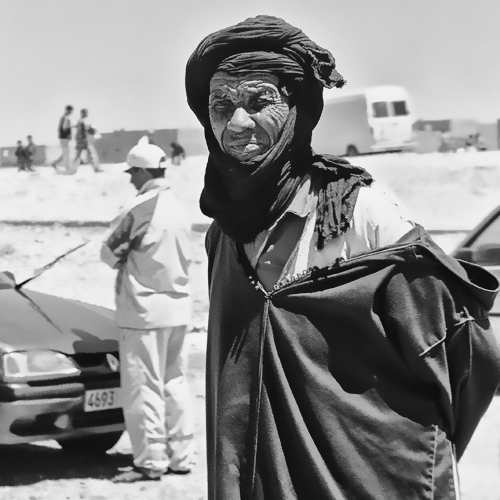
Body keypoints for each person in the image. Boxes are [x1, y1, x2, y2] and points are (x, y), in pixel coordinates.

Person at [185, 15, 500, 500]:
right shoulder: (222, 237)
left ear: (297, 109)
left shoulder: (359, 210)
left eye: (258, 102)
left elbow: (465, 344)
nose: (237, 123)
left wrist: (392, 437)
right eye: (221, 106)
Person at [100, 142, 196, 482]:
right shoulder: (179, 207)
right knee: (175, 383)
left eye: (131, 174)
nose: (129, 180)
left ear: (141, 172)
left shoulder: (141, 207)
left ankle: (150, 461)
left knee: (144, 386)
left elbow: (109, 254)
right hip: (179, 307)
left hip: (144, 311)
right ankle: (181, 456)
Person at [71, 108, 103, 174]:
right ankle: (96, 169)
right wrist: (92, 130)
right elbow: (85, 131)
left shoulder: (80, 121)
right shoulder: (82, 121)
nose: (87, 114)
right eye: (86, 113)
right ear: (83, 113)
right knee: (91, 155)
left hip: (81, 141)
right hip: (84, 141)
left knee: (79, 156)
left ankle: (72, 170)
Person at [51, 105, 73, 172]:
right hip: (64, 138)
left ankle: (54, 163)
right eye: (70, 111)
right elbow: (64, 128)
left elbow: (60, 128)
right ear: (68, 110)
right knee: (66, 154)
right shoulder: (65, 118)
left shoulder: (64, 117)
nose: (71, 112)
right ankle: (67, 169)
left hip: (63, 138)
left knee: (65, 153)